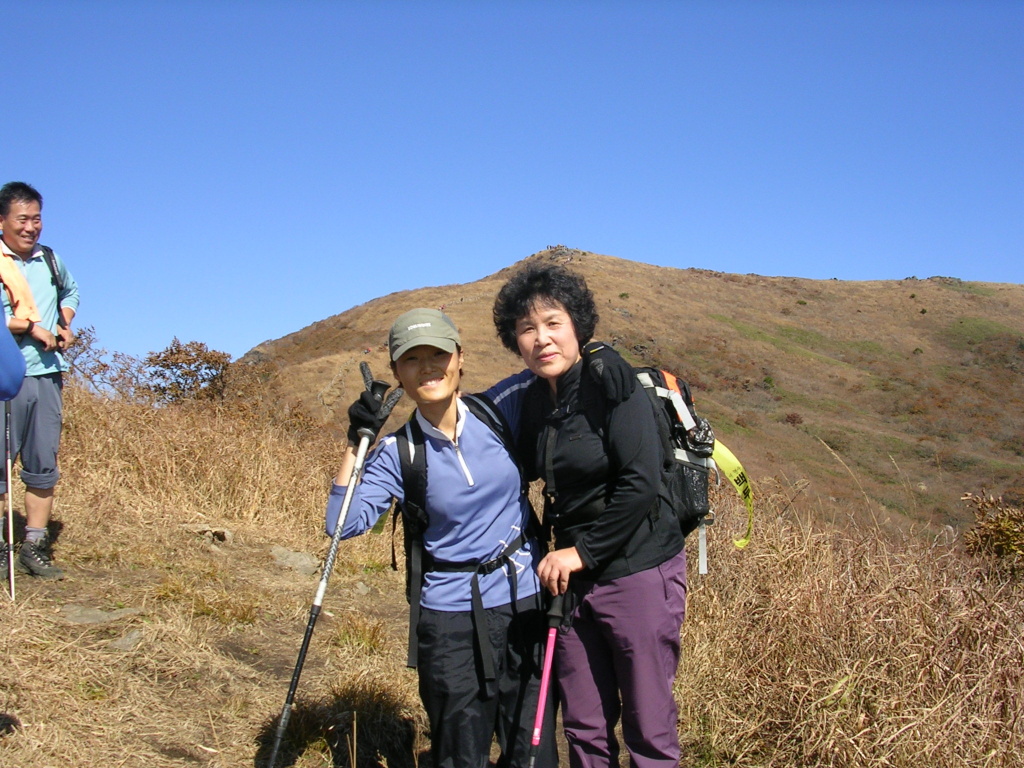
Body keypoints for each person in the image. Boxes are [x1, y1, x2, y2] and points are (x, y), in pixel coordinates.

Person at [325, 308, 556, 768]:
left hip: (526, 598)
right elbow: (342, 524)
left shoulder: (498, 409)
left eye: (438, 353)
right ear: (397, 374)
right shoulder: (397, 452)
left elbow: (556, 365)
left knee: (533, 752)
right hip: (449, 616)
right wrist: (359, 441)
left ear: (460, 357)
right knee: (458, 752)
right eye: (412, 359)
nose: (428, 367)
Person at [492, 263, 688, 768]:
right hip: (572, 582)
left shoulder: (612, 384)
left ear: (578, 324)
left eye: (553, 323)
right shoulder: (533, 399)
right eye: (527, 329)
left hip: (638, 570)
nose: (542, 339)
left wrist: (581, 552)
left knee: (649, 728)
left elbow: (641, 482)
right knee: (584, 726)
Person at [0, 182, 80, 581]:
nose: (31, 227)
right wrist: (31, 327)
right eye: (22, 219)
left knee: (42, 465)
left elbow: (72, 291)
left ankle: (34, 545)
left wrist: (64, 322)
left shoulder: (50, 260)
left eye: (36, 219)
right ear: (2, 222)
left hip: (47, 376)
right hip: (5, 376)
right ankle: (1, 551)